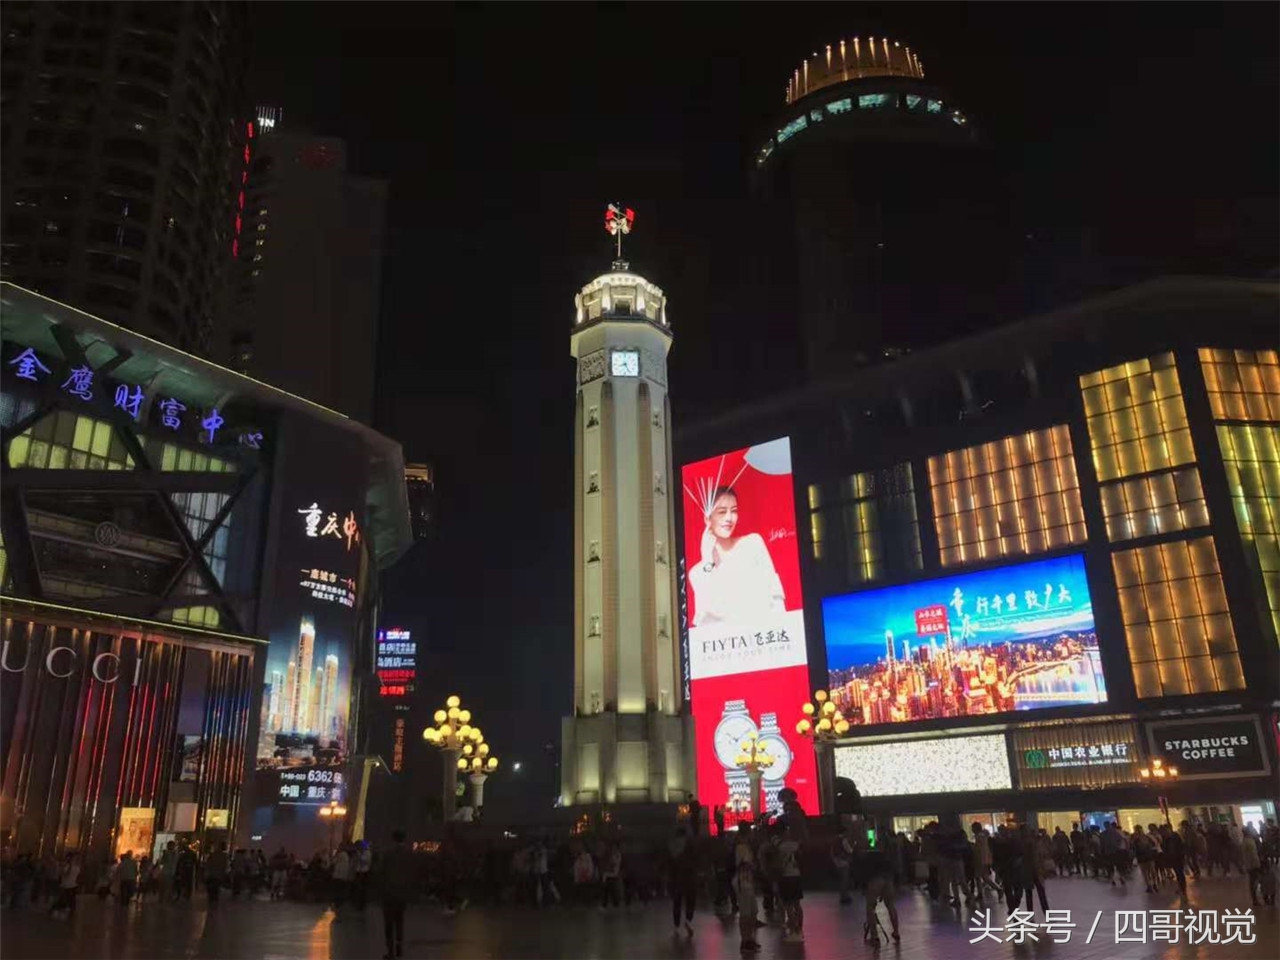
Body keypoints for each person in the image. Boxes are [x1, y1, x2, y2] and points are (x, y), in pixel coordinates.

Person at [687, 485, 786, 627]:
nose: (729, 518)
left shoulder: (753, 543)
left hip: (765, 635)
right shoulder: (697, 572)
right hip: (729, 645)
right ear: (708, 519)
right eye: (722, 512)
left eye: (734, 511)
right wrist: (707, 562)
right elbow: (705, 619)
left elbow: (775, 594)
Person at [861, 827, 901, 947]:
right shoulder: (889, 855)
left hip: (875, 880)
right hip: (888, 879)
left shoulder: (871, 855)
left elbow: (865, 871)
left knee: (870, 907)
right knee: (891, 905)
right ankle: (896, 931)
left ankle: (875, 936)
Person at [380, 829, 415, 960]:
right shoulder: (409, 854)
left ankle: (391, 951)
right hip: (402, 893)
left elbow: (382, 872)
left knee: (389, 924)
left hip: (389, 893)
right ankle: (399, 947)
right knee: (400, 921)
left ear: (393, 839)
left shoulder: (388, 854)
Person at [734, 823, 761, 953]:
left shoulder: (745, 847)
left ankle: (749, 938)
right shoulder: (740, 847)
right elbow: (742, 864)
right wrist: (752, 866)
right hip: (742, 881)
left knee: (752, 912)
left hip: (747, 880)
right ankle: (744, 941)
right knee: (745, 913)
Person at [668, 826, 698, 936]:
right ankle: (688, 920)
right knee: (690, 900)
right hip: (688, 877)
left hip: (676, 878)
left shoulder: (671, 847)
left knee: (677, 902)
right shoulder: (689, 845)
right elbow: (694, 859)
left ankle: (676, 925)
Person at [1017, 825, 1049, 914]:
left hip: (1028, 870)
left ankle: (1031, 914)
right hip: (1033, 870)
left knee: (1029, 893)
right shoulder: (1031, 841)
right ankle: (1046, 913)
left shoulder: (1023, 842)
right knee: (1040, 892)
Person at [51, 853, 81, 918]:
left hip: (72, 885)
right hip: (66, 885)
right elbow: (64, 874)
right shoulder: (66, 866)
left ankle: (69, 912)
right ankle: (57, 910)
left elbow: (77, 875)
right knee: (63, 899)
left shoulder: (76, 866)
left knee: (70, 900)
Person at [831, 826, 854, 905]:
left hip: (837, 862)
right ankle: (844, 896)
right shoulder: (843, 840)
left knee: (841, 880)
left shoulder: (834, 840)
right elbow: (849, 850)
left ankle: (842, 895)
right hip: (844, 862)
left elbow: (832, 852)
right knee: (845, 880)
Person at [1242, 824, 1262, 906]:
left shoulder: (1246, 841)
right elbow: (1253, 854)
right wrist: (1257, 864)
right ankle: (1255, 899)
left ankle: (1255, 898)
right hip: (1253, 864)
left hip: (1250, 864)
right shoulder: (1249, 841)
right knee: (1254, 881)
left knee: (1253, 881)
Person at [204, 841, 229, 906]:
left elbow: (208, 864)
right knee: (216, 889)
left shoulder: (213, 854)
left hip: (211, 874)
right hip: (218, 875)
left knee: (211, 889)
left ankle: (211, 901)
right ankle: (214, 902)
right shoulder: (224, 856)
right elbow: (225, 866)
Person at [600, 843, 623, 909]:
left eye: (615, 848)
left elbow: (616, 863)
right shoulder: (610, 855)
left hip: (614, 874)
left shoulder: (617, 855)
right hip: (609, 874)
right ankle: (605, 904)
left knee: (614, 890)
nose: (613, 849)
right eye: (613, 848)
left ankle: (615, 904)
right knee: (606, 890)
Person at [331, 844, 352, 912]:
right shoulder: (347, 856)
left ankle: (336, 905)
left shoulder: (340, 855)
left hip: (338, 875)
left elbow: (333, 862)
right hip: (343, 876)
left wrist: (335, 855)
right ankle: (340, 905)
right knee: (341, 891)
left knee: (336, 891)